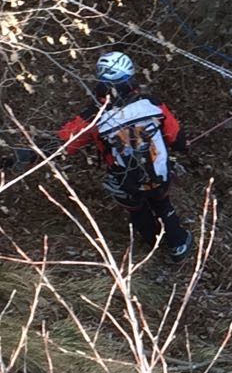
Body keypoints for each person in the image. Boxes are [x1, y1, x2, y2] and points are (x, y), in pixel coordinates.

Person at [57, 51, 193, 261]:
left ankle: (154, 245)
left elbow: (65, 143)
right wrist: (183, 147)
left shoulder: (94, 116)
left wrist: (30, 154)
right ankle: (178, 244)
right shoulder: (150, 103)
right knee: (162, 204)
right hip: (159, 173)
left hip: (125, 180)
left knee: (137, 211)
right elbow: (177, 138)